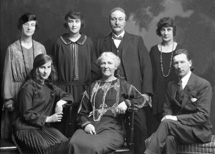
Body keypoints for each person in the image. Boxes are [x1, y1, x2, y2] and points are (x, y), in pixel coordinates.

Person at [96, 7, 153, 153]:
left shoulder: (137, 41)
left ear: (125, 21)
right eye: (113, 19)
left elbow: (146, 67)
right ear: (109, 21)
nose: (117, 22)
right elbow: (96, 70)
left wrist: (146, 93)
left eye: (120, 19)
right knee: (109, 127)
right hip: (109, 94)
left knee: (140, 128)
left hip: (134, 93)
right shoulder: (101, 42)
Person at [68, 52, 148, 154]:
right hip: (91, 127)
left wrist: (127, 103)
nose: (106, 66)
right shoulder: (92, 87)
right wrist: (86, 124)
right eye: (103, 63)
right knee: (73, 143)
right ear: (100, 66)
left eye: (109, 63)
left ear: (115, 66)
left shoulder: (123, 85)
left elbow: (143, 99)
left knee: (93, 147)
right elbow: (81, 112)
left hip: (113, 129)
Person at [144, 49, 213, 154]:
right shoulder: (171, 85)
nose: (179, 66)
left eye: (182, 62)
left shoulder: (203, 84)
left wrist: (175, 118)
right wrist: (170, 118)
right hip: (178, 129)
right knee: (168, 139)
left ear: (190, 63)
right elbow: (167, 109)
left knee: (167, 124)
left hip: (198, 131)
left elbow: (203, 116)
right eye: (176, 63)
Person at [12, 54, 74, 154]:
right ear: (36, 69)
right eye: (42, 67)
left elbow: (68, 95)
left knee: (65, 142)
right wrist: (48, 119)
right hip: (25, 128)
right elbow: (26, 114)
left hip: (42, 127)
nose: (46, 71)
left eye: (48, 67)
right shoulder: (28, 87)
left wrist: (60, 103)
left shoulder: (49, 86)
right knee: (45, 148)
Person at [51, 10, 99, 137]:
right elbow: (53, 69)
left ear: (81, 23)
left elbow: (94, 67)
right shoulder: (59, 42)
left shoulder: (88, 42)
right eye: (71, 21)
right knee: (62, 126)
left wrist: (90, 89)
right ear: (66, 23)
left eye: (76, 21)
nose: (73, 25)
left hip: (84, 89)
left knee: (81, 123)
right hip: (63, 90)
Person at [1, 13, 46, 139]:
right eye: (26, 24)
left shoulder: (40, 48)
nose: (29, 28)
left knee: (34, 132)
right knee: (16, 132)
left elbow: (46, 73)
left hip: (35, 92)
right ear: (20, 26)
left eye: (32, 25)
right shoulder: (12, 49)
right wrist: (8, 98)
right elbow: (7, 73)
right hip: (16, 91)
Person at [149, 17, 183, 133]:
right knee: (157, 131)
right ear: (159, 32)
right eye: (163, 30)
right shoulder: (154, 50)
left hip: (176, 95)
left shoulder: (181, 50)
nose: (166, 33)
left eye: (169, 29)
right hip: (158, 95)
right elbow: (149, 74)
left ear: (173, 31)